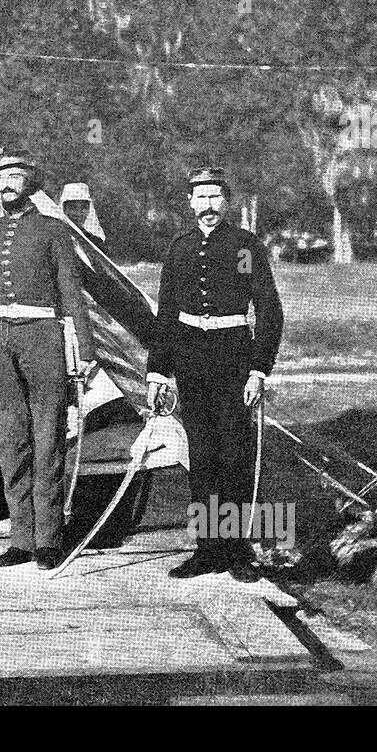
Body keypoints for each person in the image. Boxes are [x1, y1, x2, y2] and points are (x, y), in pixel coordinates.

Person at [145, 167, 284, 583]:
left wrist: (259, 369)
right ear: (190, 202)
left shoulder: (246, 246)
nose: (207, 206)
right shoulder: (180, 248)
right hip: (190, 359)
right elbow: (166, 314)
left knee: (234, 455)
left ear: (227, 202)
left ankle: (237, 550)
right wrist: (158, 372)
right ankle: (207, 549)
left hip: (233, 359)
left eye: (214, 198)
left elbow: (269, 310)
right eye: (199, 198)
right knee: (202, 456)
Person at [0, 150, 95, 569]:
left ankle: (49, 539)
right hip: (2, 341)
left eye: (15, 176)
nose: (6, 183)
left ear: (31, 183)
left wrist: (85, 352)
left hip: (43, 339)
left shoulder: (53, 231)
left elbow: (72, 296)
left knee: (48, 437)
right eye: (2, 176)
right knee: (11, 440)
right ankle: (21, 538)